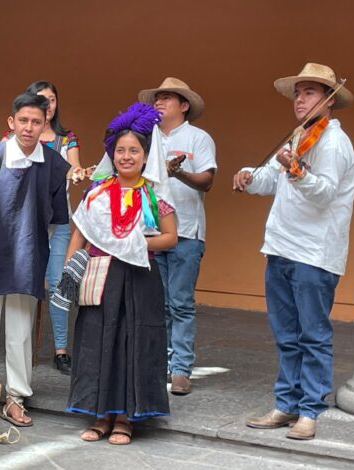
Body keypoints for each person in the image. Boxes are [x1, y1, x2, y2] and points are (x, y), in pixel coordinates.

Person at [233, 63, 354, 440]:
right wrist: (249, 177)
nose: (300, 100)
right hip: (281, 246)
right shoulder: (297, 136)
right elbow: (272, 178)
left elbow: (323, 193)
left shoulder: (334, 142)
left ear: (328, 100)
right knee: (286, 333)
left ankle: (310, 410)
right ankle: (286, 404)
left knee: (313, 334)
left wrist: (298, 171)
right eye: (298, 93)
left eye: (309, 93)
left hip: (314, 254)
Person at [61, 102, 177, 444]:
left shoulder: (153, 196)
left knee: (132, 342)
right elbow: (79, 234)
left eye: (134, 151)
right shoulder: (96, 193)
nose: (127, 156)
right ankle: (99, 414)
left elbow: (171, 237)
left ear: (145, 156)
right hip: (100, 277)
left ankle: (125, 418)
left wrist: (134, 241)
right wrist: (69, 273)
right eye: (121, 150)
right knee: (97, 341)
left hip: (139, 279)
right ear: (112, 154)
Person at [0, 92, 70, 427]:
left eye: (36, 122)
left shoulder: (52, 165)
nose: (29, 127)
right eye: (23, 120)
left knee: (21, 330)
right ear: (11, 122)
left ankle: (16, 397)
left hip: (27, 251)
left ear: (44, 125)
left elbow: (58, 217)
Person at [138, 77, 217, 395]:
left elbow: (207, 181)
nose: (159, 102)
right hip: (151, 231)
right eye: (157, 98)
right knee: (156, 303)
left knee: (180, 303)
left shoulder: (198, 138)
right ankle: (159, 363)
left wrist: (179, 172)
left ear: (184, 106)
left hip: (186, 231)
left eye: (167, 98)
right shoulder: (146, 136)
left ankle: (181, 368)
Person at [5, 80, 83, 374]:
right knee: (23, 284)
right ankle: (21, 346)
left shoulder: (66, 138)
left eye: (51, 100)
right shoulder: (16, 136)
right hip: (24, 221)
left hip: (58, 221)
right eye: (41, 99)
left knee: (58, 284)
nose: (47, 105)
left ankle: (61, 350)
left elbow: (75, 168)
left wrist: (77, 174)